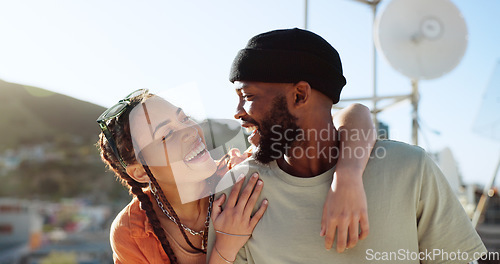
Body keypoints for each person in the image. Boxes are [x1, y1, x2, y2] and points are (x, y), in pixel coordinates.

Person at [207, 28, 487, 263]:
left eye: (247, 95)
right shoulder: (240, 192)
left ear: (300, 94)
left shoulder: (409, 169)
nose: (238, 111)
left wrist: (347, 177)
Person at [96, 89, 376, 263]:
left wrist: (347, 178)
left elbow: (355, 114)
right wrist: (225, 248)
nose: (190, 131)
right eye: (166, 134)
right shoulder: (132, 233)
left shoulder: (237, 173)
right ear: (140, 172)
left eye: (184, 118)